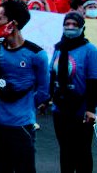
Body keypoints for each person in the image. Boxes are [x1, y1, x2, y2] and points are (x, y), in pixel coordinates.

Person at [0, 0, 50, 173]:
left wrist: (23, 107)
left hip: (21, 125)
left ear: (12, 23)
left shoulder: (37, 54)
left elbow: (44, 92)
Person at [50, 11, 97, 172]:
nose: (70, 27)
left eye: (74, 25)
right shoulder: (58, 48)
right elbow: (52, 74)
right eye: (67, 24)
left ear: (82, 27)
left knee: (82, 152)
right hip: (60, 108)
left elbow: (93, 81)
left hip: (81, 110)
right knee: (65, 151)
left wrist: (91, 109)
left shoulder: (90, 50)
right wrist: (47, 99)